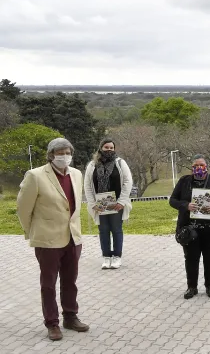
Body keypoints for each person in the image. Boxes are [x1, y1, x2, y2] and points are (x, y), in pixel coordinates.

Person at [16, 138, 90, 341]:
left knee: (70, 281)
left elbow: (74, 205)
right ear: (51, 155)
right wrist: (31, 231)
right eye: (59, 153)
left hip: (72, 238)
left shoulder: (76, 174)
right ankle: (52, 323)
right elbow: (23, 208)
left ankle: (70, 316)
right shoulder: (35, 175)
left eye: (67, 152)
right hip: (47, 240)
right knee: (48, 284)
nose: (64, 156)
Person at [169, 154, 210, 300]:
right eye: (196, 166)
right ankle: (191, 287)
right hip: (190, 229)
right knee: (191, 258)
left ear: (207, 167)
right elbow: (172, 200)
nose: (199, 168)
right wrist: (186, 205)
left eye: (202, 166)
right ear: (192, 168)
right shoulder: (184, 181)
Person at [83, 139, 134, 270]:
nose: (109, 149)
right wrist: (92, 203)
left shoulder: (120, 163)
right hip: (100, 204)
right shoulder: (92, 165)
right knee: (103, 230)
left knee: (117, 230)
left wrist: (122, 201)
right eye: (106, 147)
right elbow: (87, 185)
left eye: (111, 147)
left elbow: (127, 182)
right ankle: (106, 257)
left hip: (116, 204)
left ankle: (117, 257)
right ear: (101, 148)